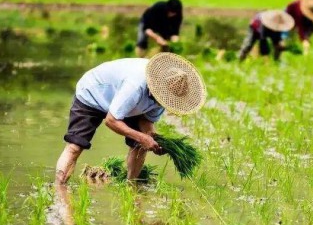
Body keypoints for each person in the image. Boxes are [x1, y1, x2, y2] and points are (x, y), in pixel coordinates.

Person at [54, 52, 207, 185]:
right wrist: (141, 137)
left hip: (126, 104)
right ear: (156, 88)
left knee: (141, 146)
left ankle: (131, 186)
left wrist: (153, 140)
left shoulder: (166, 96)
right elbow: (111, 120)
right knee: (75, 147)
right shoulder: (136, 85)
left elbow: (146, 121)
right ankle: (59, 190)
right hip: (93, 93)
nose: (163, 102)